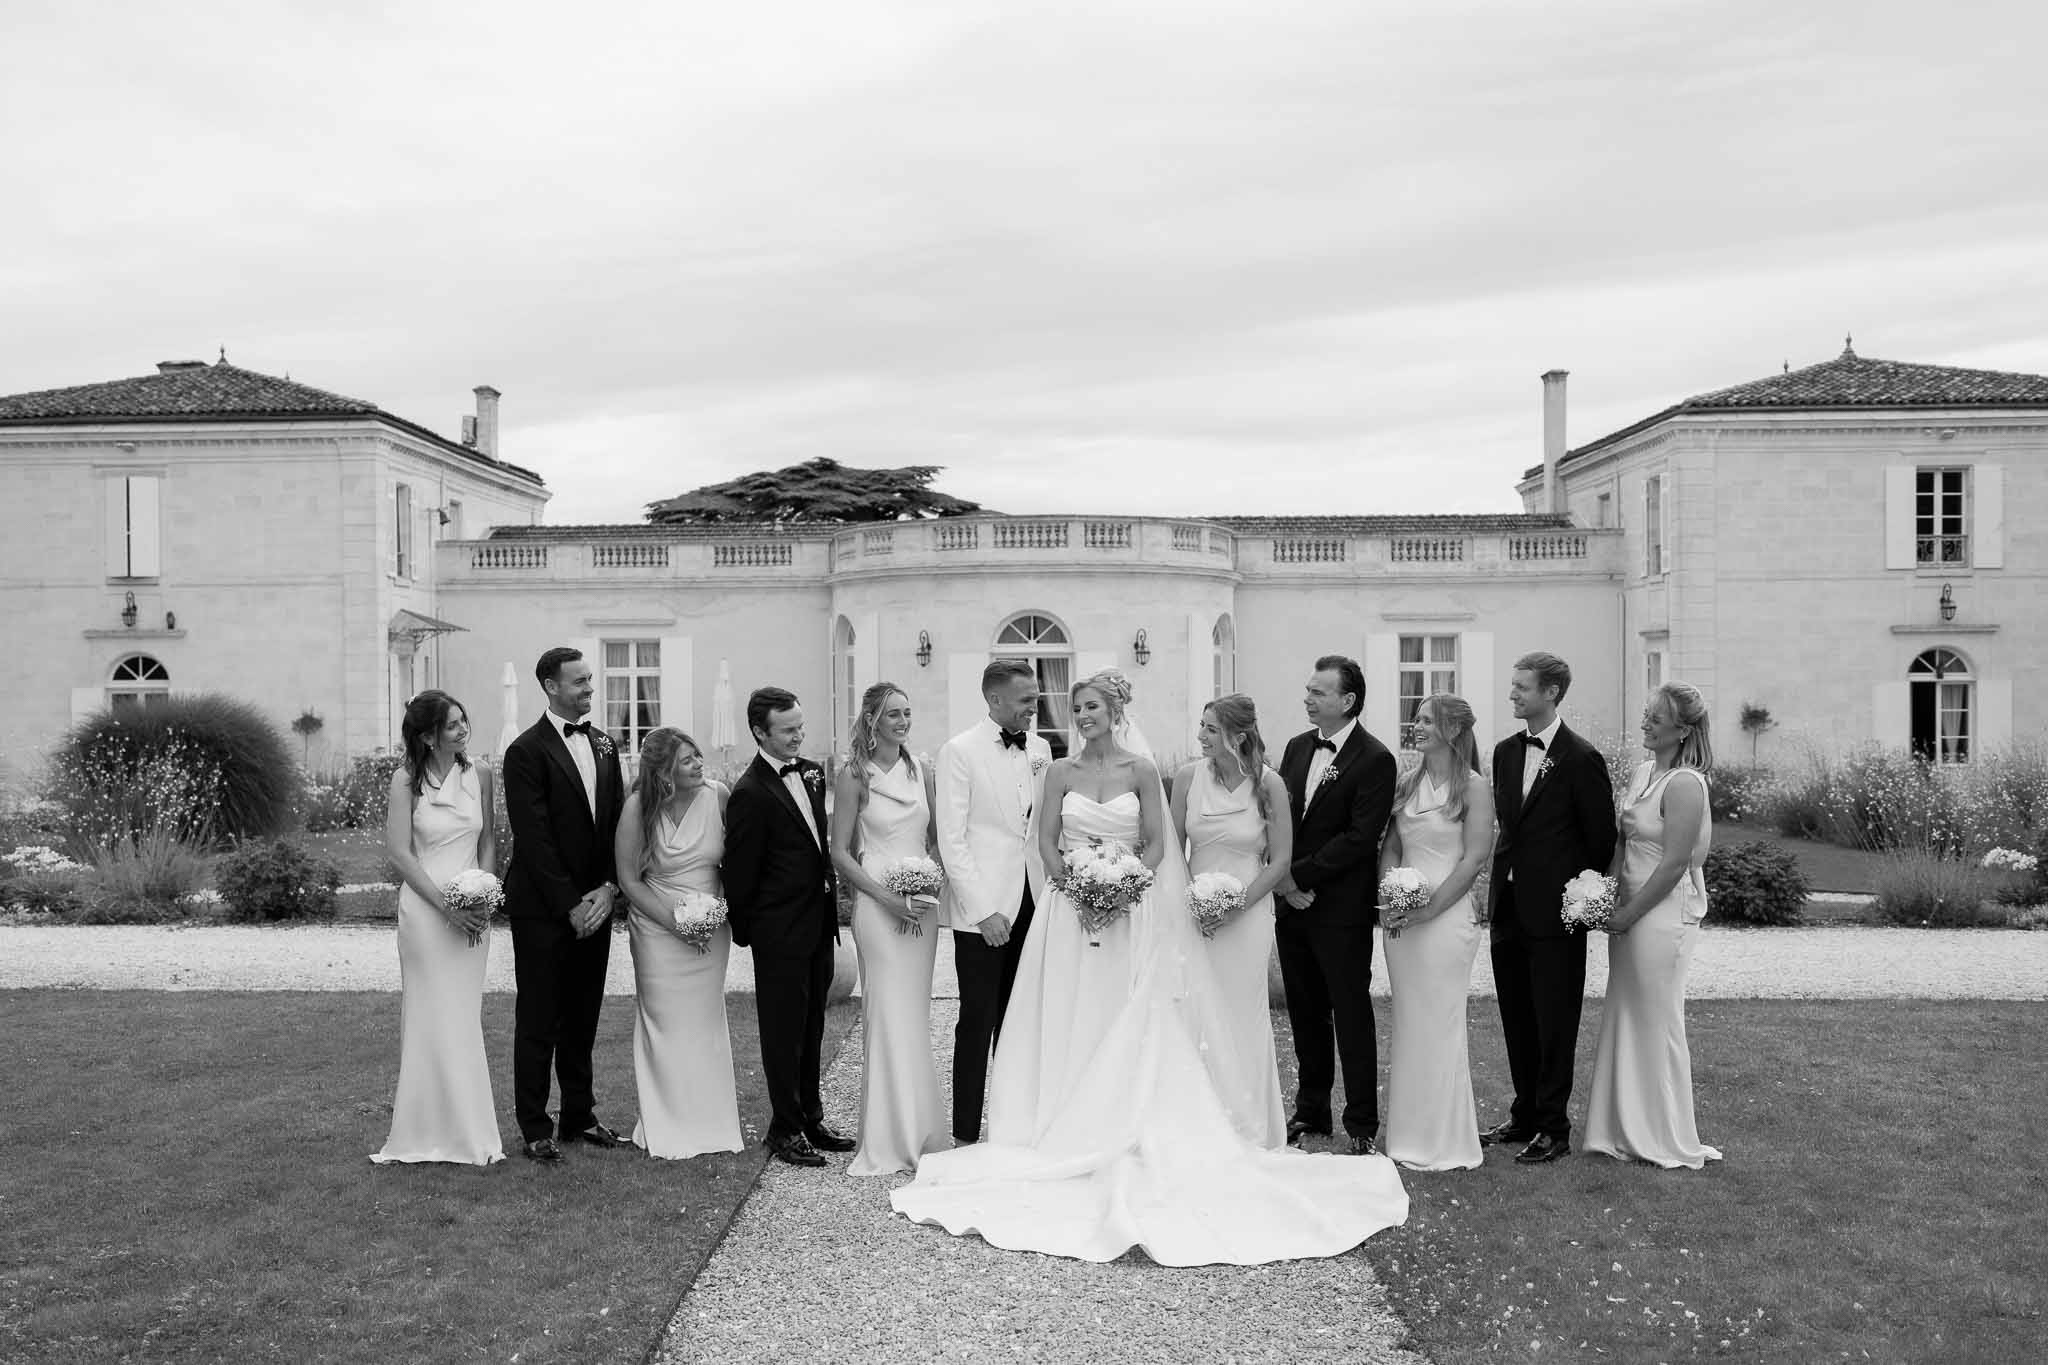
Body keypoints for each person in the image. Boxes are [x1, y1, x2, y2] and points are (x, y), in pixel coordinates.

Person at [891, 669, 1408, 1266]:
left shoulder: (1143, 772)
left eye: (1091, 706)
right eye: (1076, 706)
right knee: (1065, 1013)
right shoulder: (1056, 769)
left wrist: (1126, 887)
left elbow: (1160, 845)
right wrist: (1078, 887)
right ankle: (1057, 1119)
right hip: (1069, 913)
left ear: (1115, 712)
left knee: (1128, 1013)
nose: (1081, 715)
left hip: (1129, 911)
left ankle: (1137, 1118)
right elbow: (1046, 843)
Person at [1482, 651, 1619, 1165]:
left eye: (1523, 687)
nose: (1513, 693)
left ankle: (1553, 1127)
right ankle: (1523, 1115)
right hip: (1509, 906)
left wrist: (1572, 895)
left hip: (1557, 914)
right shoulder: (1503, 752)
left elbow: (1600, 840)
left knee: (1554, 1019)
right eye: (1513, 685)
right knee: (1516, 1016)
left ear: (1552, 693)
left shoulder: (1581, 758)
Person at [1585, 682, 1723, 1169]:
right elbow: (1625, 838)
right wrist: (1602, 894)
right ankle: (1621, 1128)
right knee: (1627, 1013)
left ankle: (1662, 1134)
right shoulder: (1645, 771)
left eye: (1655, 719)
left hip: (1663, 913)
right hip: (1630, 903)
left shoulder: (1685, 783)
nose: (1644, 724)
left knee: (1656, 1018)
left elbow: (1675, 863)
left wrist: (1627, 913)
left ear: (1682, 731)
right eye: (1646, 715)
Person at [503, 647, 628, 1162]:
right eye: (579, 682)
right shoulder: (525, 751)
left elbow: (618, 822)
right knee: (539, 1019)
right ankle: (535, 1125)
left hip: (596, 904)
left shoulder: (604, 743)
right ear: (551, 686)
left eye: (589, 680)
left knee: (583, 1016)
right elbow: (534, 838)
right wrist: (568, 904)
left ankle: (580, 1114)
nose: (589, 689)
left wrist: (608, 887)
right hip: (543, 910)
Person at [721, 686, 852, 1167]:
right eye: (789, 729)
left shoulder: (814, 774)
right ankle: (783, 1128)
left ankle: (810, 1116)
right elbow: (740, 872)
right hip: (779, 933)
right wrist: (753, 931)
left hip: (818, 925)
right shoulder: (749, 793)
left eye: (801, 726)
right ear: (759, 732)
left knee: (813, 1023)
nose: (799, 736)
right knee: (783, 1032)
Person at [372, 690, 503, 1166]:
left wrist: (485, 894)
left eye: (463, 720)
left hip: (474, 912)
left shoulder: (482, 773)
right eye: (451, 724)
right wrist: (448, 907)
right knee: (429, 1015)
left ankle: (469, 1132)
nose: (462, 729)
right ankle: (422, 1130)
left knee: (463, 1015)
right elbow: (401, 853)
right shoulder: (406, 779)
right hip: (427, 914)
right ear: (427, 736)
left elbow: (488, 836)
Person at [1274, 655, 1399, 1154]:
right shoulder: (1296, 748)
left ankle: (1362, 1124)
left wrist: (1297, 875)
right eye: (1308, 690)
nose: (1307, 698)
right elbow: (1278, 818)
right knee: (1304, 1013)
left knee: (1350, 1014)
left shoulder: (1375, 759)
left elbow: (1360, 836)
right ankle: (1311, 1112)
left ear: (1347, 701)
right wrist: (1284, 884)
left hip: (1341, 909)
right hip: (1292, 906)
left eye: (1318, 692)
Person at [830, 682, 948, 1176]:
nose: (903, 721)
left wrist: (928, 884)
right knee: (886, 1013)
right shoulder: (853, 775)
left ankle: (922, 1132)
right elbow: (839, 854)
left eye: (907, 712)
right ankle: (884, 1136)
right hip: (878, 907)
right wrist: (885, 897)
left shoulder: (924, 771)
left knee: (913, 1016)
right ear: (872, 720)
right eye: (894, 714)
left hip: (919, 906)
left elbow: (938, 840)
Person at [933, 659, 1051, 1145]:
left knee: (1022, 1018)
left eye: (1036, 698)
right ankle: (964, 1133)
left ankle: (1013, 1125)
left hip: (1035, 900)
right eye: (1026, 700)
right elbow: (951, 839)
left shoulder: (1041, 749)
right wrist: (983, 910)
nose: (1034, 707)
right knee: (977, 1020)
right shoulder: (958, 751)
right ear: (995, 699)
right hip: (984, 909)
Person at [615, 727, 743, 1160]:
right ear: (664, 768)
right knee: (664, 1024)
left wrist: (714, 913)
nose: (698, 764)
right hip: (656, 930)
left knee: (704, 1024)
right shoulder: (638, 807)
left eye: (698, 756)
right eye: (687, 759)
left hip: (710, 930)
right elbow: (629, 880)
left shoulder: (719, 796)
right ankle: (665, 1125)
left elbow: (733, 865)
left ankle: (710, 1124)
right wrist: (674, 922)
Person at [1377, 694, 1491, 1171]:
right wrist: (1393, 892)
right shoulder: (1407, 783)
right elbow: (1392, 846)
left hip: (1446, 919)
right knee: (1409, 1023)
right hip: (1403, 918)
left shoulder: (1475, 787)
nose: (1417, 726)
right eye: (1417, 718)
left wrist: (1428, 910)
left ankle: (1445, 1140)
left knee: (1439, 1024)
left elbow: (1473, 860)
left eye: (1427, 720)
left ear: (1452, 730)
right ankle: (1406, 1135)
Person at [1170, 693, 1290, 1149]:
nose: (1200, 736)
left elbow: (1279, 862)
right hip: (1195, 915)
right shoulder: (1186, 778)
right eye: (1201, 726)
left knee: (1243, 1013)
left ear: (1237, 736)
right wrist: (1195, 905)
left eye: (1210, 729)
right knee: (1195, 1012)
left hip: (1249, 914)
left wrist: (1234, 907)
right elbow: (1174, 852)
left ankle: (1248, 1124)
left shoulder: (1269, 784)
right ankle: (1196, 1124)